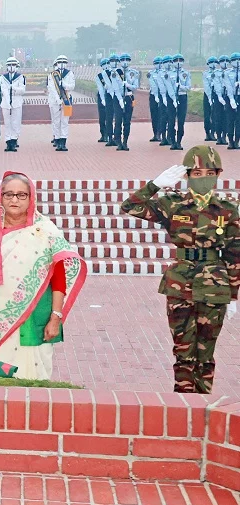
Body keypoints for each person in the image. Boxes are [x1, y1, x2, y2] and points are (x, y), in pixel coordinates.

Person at [121, 146, 240, 394]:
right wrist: (154, 185)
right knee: (183, 350)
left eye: (209, 172)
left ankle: (204, 403)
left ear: (218, 174)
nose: (203, 178)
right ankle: (184, 405)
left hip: (214, 284)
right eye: (197, 173)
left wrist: (233, 294)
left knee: (206, 352)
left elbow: (234, 252)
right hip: (180, 284)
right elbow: (130, 206)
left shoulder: (228, 208)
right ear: (186, 176)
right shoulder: (171, 204)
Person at [0, 172, 87, 380]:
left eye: (22, 195)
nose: (14, 200)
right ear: (0, 197)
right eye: (9, 194)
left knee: (33, 380)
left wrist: (55, 317)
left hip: (33, 317)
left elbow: (58, 278)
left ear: (31, 199)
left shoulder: (45, 231)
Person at [47, 55, 75, 152]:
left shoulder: (70, 74)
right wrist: (58, 99)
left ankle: (63, 142)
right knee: (56, 121)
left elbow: (72, 86)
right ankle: (58, 141)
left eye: (64, 62)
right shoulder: (52, 74)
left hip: (67, 101)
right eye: (60, 62)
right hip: (55, 102)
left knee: (65, 121)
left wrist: (64, 85)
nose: (62, 64)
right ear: (57, 63)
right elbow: (51, 88)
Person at [112, 53, 139, 152]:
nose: (125, 61)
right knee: (118, 121)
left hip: (129, 97)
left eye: (127, 59)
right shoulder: (115, 72)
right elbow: (115, 88)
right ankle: (119, 142)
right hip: (118, 99)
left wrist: (128, 84)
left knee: (127, 121)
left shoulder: (134, 73)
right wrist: (119, 100)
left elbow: (135, 86)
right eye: (123, 60)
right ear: (120, 62)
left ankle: (125, 142)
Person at [0, 57, 25, 153]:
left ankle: (14, 140)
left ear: (16, 66)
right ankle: (8, 141)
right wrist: (8, 100)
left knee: (15, 123)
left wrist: (13, 88)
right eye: (9, 65)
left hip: (17, 103)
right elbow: (4, 90)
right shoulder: (3, 77)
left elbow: (22, 90)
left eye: (13, 65)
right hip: (6, 104)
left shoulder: (20, 77)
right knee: (7, 123)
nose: (11, 67)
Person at [171, 54, 191, 151]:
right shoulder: (169, 73)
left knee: (181, 121)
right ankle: (173, 141)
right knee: (171, 120)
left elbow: (188, 87)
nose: (178, 62)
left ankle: (179, 141)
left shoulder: (186, 73)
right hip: (172, 97)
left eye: (180, 60)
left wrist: (180, 86)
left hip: (182, 96)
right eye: (176, 60)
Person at [158, 55, 177, 148]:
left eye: (170, 61)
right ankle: (163, 137)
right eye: (166, 62)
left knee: (171, 118)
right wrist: (163, 97)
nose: (168, 63)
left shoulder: (174, 72)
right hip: (163, 96)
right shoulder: (160, 73)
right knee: (163, 117)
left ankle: (170, 137)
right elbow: (161, 86)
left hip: (172, 97)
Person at [224, 54, 240, 150]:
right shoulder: (227, 73)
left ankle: (237, 141)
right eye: (235, 59)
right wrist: (231, 99)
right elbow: (228, 86)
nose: (237, 61)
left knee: (239, 120)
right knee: (230, 120)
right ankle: (230, 141)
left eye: (239, 59)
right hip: (230, 97)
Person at [95, 58, 112, 144]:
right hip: (102, 96)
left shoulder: (113, 73)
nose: (106, 65)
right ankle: (103, 134)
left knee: (110, 116)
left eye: (107, 63)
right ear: (101, 66)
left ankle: (110, 134)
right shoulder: (99, 76)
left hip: (111, 96)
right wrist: (102, 99)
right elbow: (100, 89)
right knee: (102, 117)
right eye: (104, 64)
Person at [204, 57, 219, 142]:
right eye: (211, 62)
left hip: (216, 94)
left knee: (215, 114)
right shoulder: (206, 73)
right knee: (207, 115)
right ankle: (207, 132)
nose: (213, 63)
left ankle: (213, 132)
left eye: (214, 62)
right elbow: (206, 86)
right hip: (207, 95)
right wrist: (209, 97)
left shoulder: (218, 73)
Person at [149, 56, 163, 143]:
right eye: (156, 63)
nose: (158, 65)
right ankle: (155, 133)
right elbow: (153, 85)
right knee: (154, 115)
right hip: (153, 95)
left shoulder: (165, 73)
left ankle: (160, 133)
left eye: (160, 63)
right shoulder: (151, 73)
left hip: (162, 95)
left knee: (162, 115)